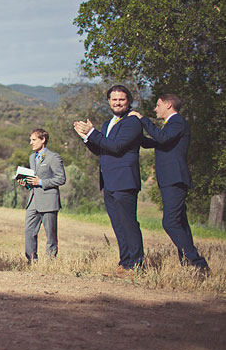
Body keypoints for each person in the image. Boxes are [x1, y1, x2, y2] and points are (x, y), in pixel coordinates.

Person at [129, 94, 209, 273]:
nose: (156, 109)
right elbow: (155, 141)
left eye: (158, 105)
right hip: (170, 180)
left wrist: (142, 119)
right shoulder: (169, 126)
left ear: (169, 105)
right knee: (180, 222)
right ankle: (189, 265)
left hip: (175, 179)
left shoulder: (177, 122)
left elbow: (162, 138)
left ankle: (198, 263)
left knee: (170, 222)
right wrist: (136, 133)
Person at [74, 85, 144, 278]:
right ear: (109, 102)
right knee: (118, 225)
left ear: (129, 101)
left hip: (125, 181)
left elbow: (116, 147)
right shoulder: (107, 124)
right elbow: (102, 149)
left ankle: (136, 265)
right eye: (114, 99)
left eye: (121, 99)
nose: (117, 102)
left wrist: (93, 133)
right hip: (109, 181)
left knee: (129, 224)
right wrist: (86, 138)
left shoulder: (132, 123)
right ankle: (125, 263)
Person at [18, 129, 66, 262]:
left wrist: (41, 182)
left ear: (43, 139)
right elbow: (33, 178)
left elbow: (61, 179)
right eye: (30, 140)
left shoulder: (53, 157)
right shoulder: (31, 157)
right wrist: (26, 183)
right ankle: (31, 261)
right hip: (33, 200)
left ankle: (50, 263)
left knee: (51, 234)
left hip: (49, 200)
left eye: (33, 140)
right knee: (29, 231)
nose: (31, 143)